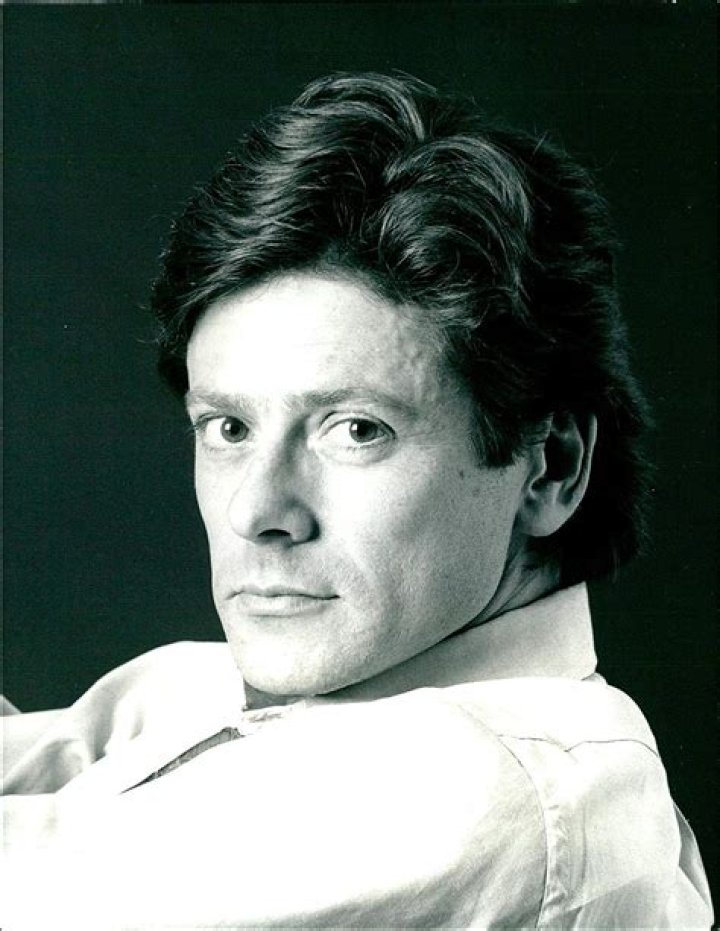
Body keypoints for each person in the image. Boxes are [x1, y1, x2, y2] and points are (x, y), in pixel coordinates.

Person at [2, 72, 712, 929]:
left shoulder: (486, 786)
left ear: (550, 467)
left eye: (357, 429)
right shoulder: (208, 685)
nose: (258, 511)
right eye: (228, 428)